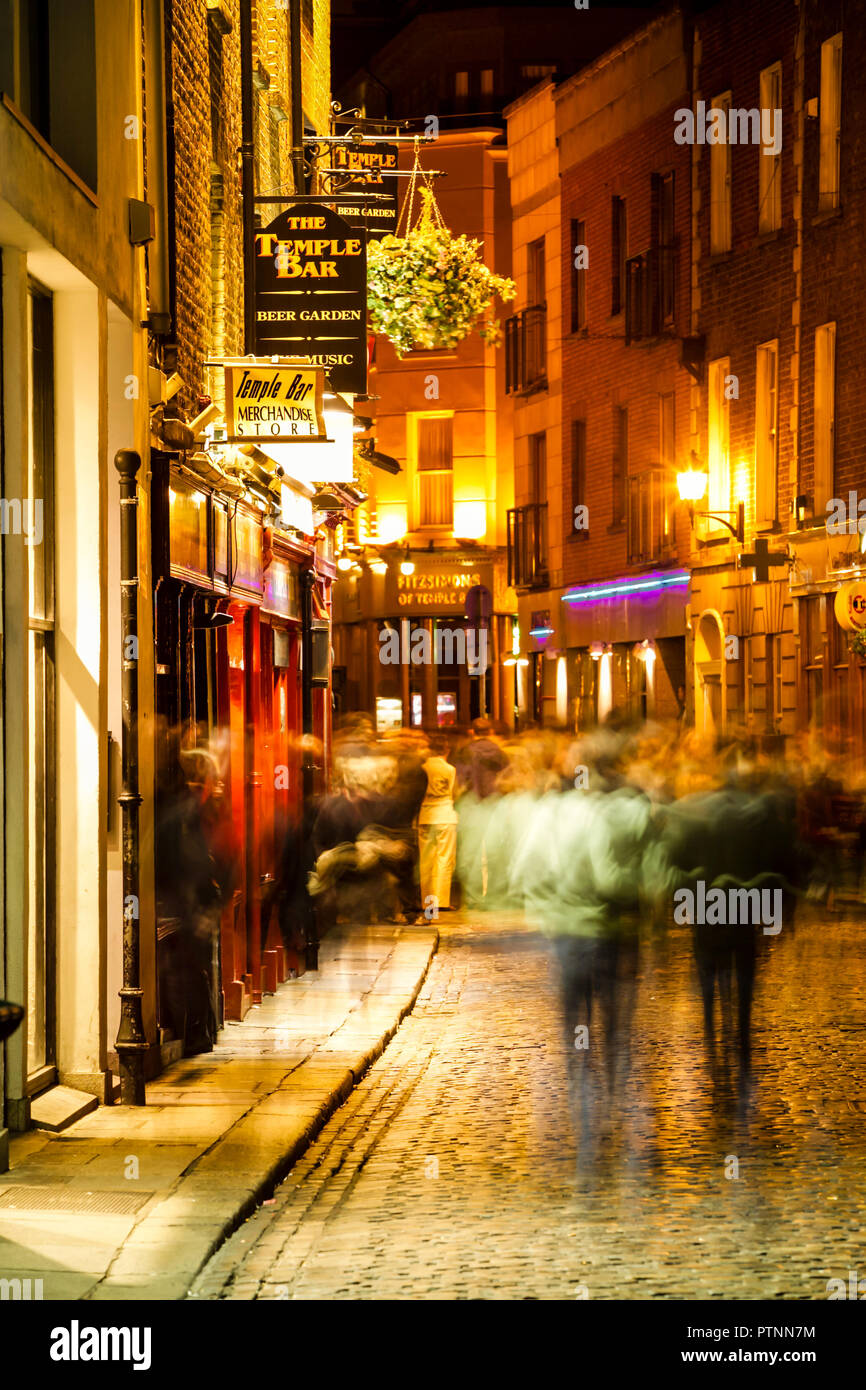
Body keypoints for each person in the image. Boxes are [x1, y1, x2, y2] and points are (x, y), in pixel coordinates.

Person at [416, 735, 458, 920]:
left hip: (424, 815)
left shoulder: (422, 768)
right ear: (446, 750)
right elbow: (453, 792)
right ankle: (441, 901)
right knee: (444, 859)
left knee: (426, 860)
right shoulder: (450, 769)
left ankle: (427, 902)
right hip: (445, 815)